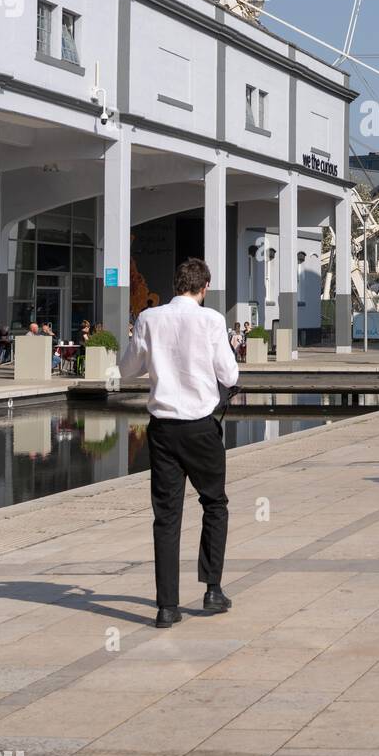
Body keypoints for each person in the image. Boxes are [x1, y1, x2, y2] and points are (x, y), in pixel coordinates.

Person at [119, 257, 239, 627]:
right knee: (215, 503)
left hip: (163, 429)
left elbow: (128, 369)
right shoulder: (212, 320)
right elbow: (229, 374)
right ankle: (212, 589)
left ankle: (166, 607)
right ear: (204, 288)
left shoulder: (150, 318)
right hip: (201, 428)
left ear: (175, 285)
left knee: (166, 517)